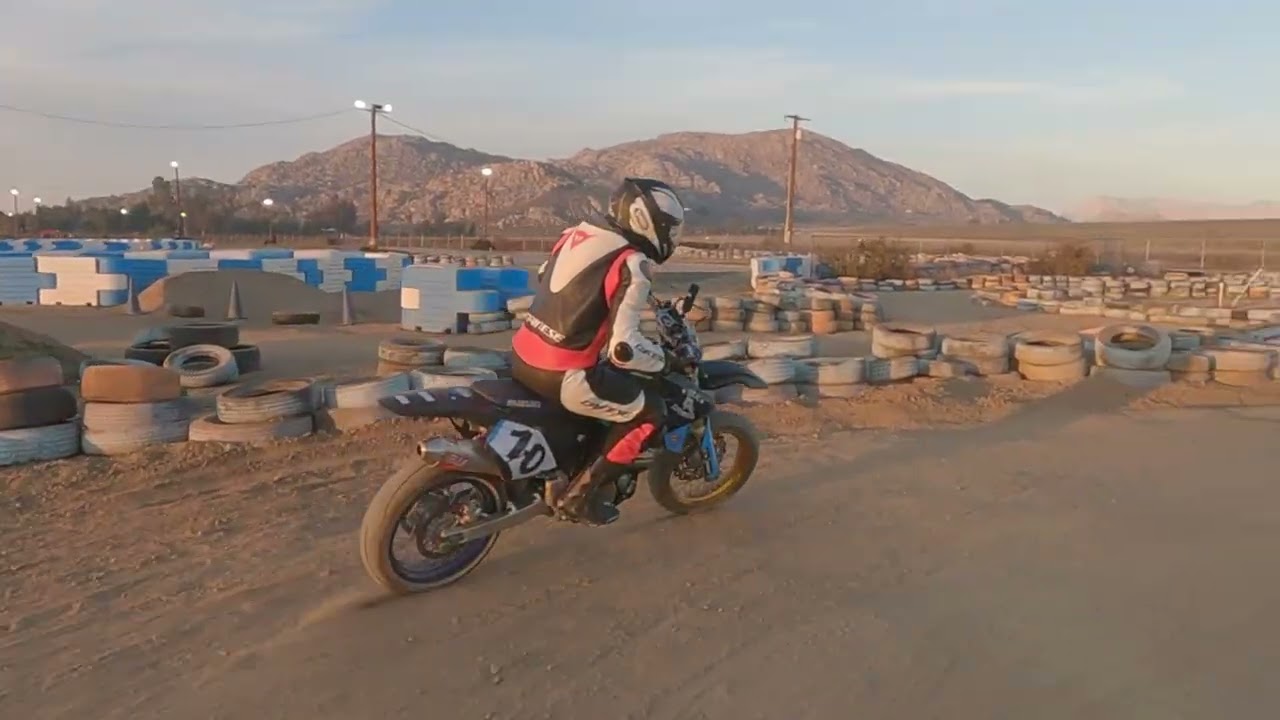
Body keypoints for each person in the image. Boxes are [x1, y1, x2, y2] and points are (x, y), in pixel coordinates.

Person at [511, 177, 707, 526]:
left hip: (524, 353)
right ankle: (579, 496)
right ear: (645, 221)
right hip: (564, 375)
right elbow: (623, 350)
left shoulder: (578, 235)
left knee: (609, 388)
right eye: (668, 228)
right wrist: (666, 360)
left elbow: (549, 276)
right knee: (650, 412)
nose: (670, 236)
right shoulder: (632, 263)